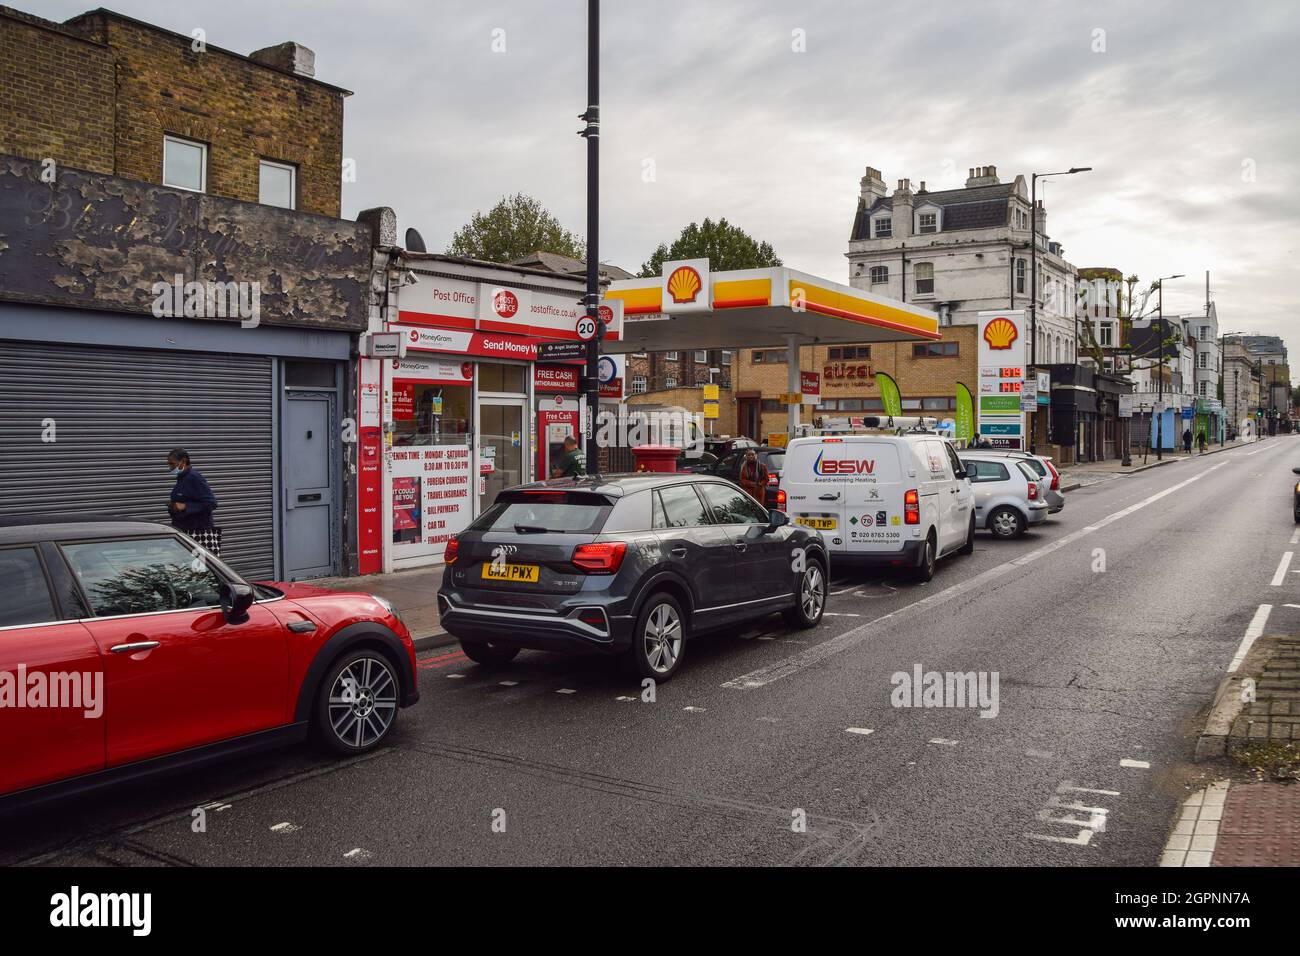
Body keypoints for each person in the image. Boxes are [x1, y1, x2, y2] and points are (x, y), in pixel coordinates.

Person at [166, 448, 217, 531]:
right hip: (184, 529)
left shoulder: (194, 478)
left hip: (198, 532)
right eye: (169, 464)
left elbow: (211, 503)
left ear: (183, 461)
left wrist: (185, 506)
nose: (170, 468)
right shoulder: (182, 478)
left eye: (172, 464)